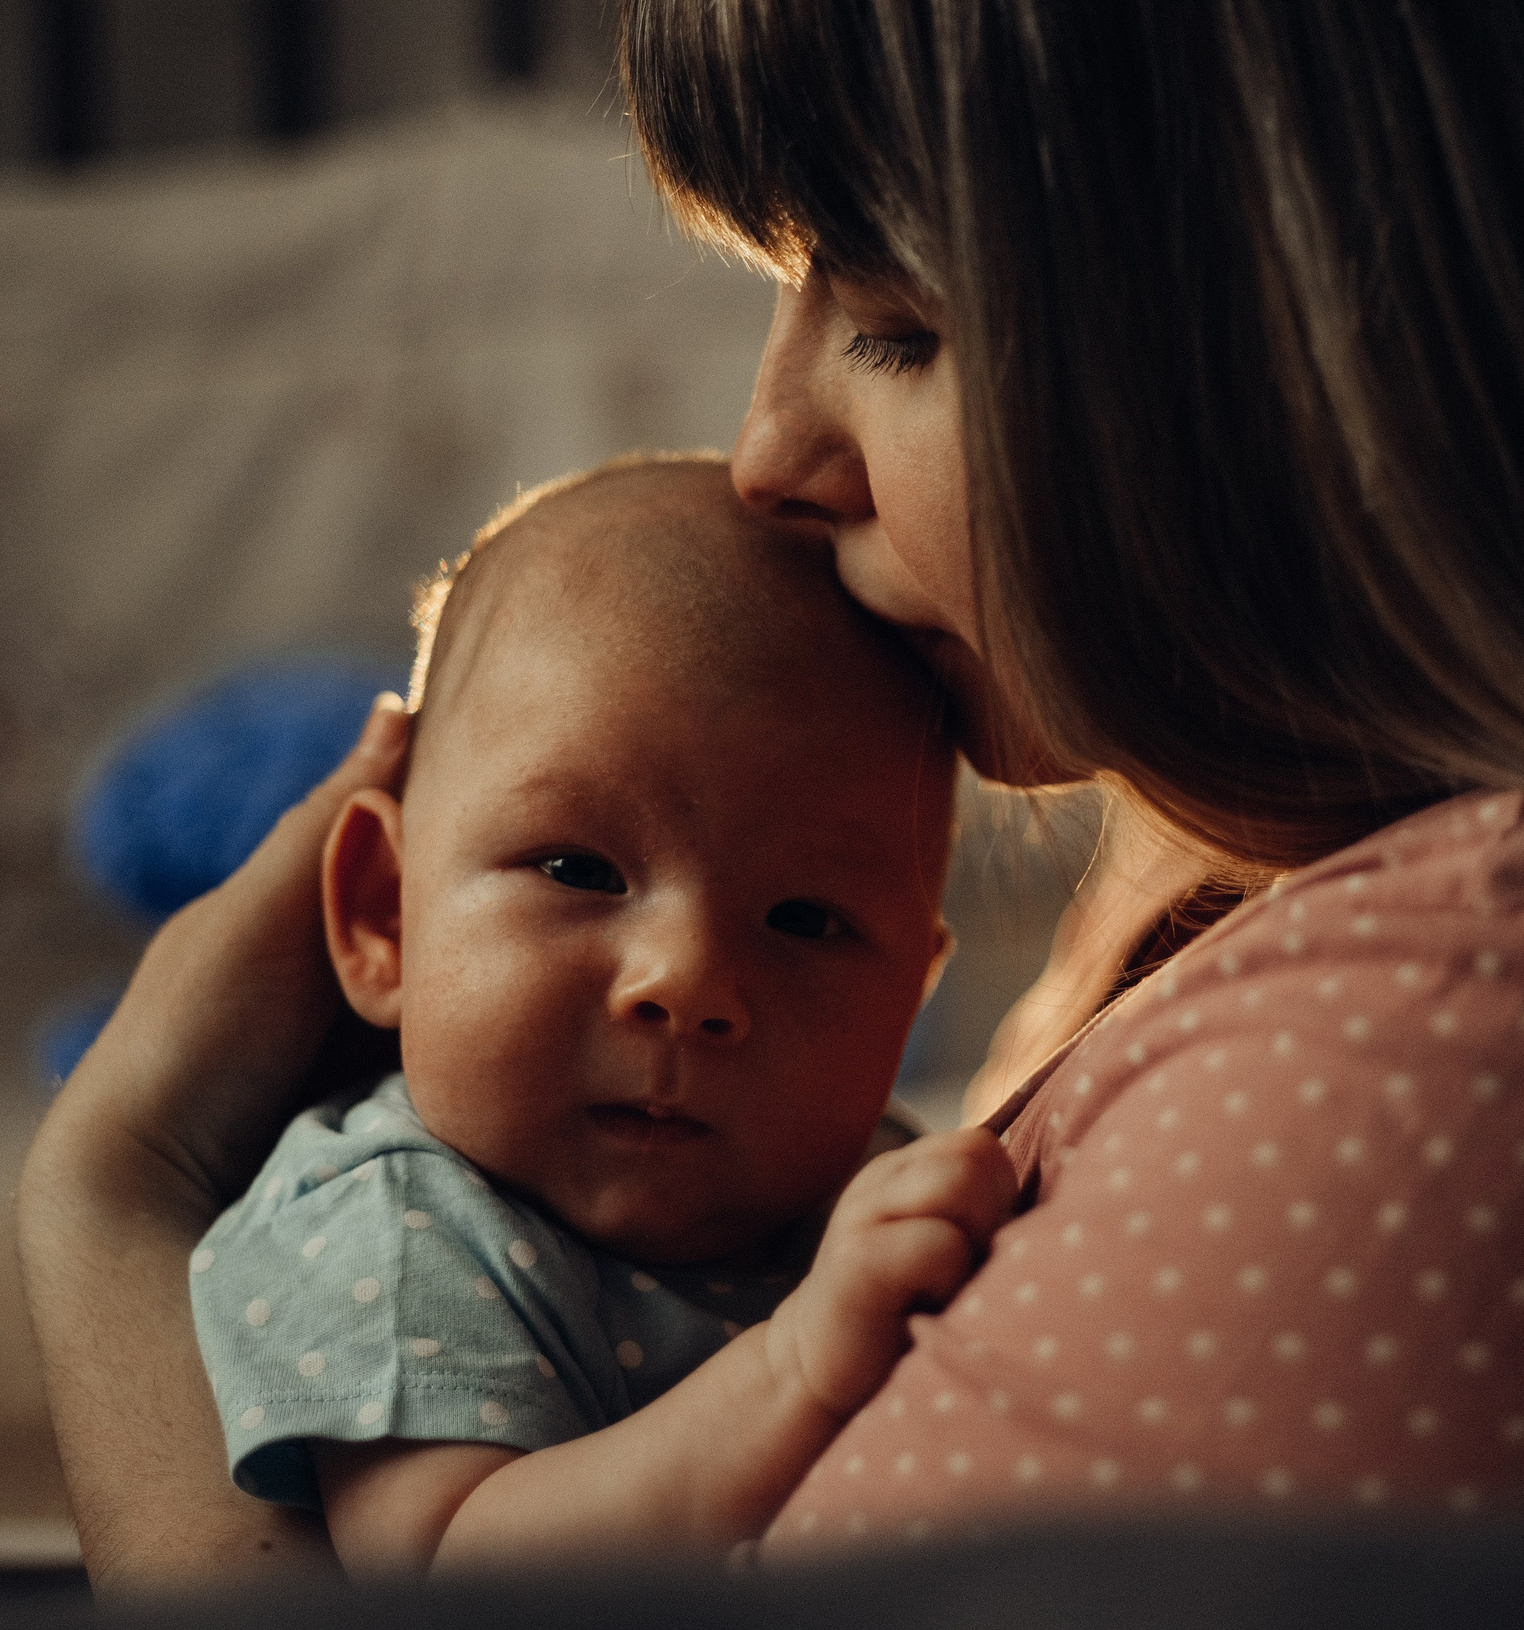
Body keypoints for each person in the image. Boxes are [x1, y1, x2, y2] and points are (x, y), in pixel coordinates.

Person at [18, 0, 1524, 1587]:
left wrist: (116, 1203)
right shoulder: (1387, 843)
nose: (768, 448)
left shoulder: (1518, 1041)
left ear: (1316, 333)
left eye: (892, 319)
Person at [184, 456, 1013, 1575]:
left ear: (909, 988)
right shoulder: (394, 1218)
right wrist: (788, 1373)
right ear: (387, 915)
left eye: (808, 919)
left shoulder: (868, 1191)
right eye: (579, 868)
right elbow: (454, 1567)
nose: (687, 984)